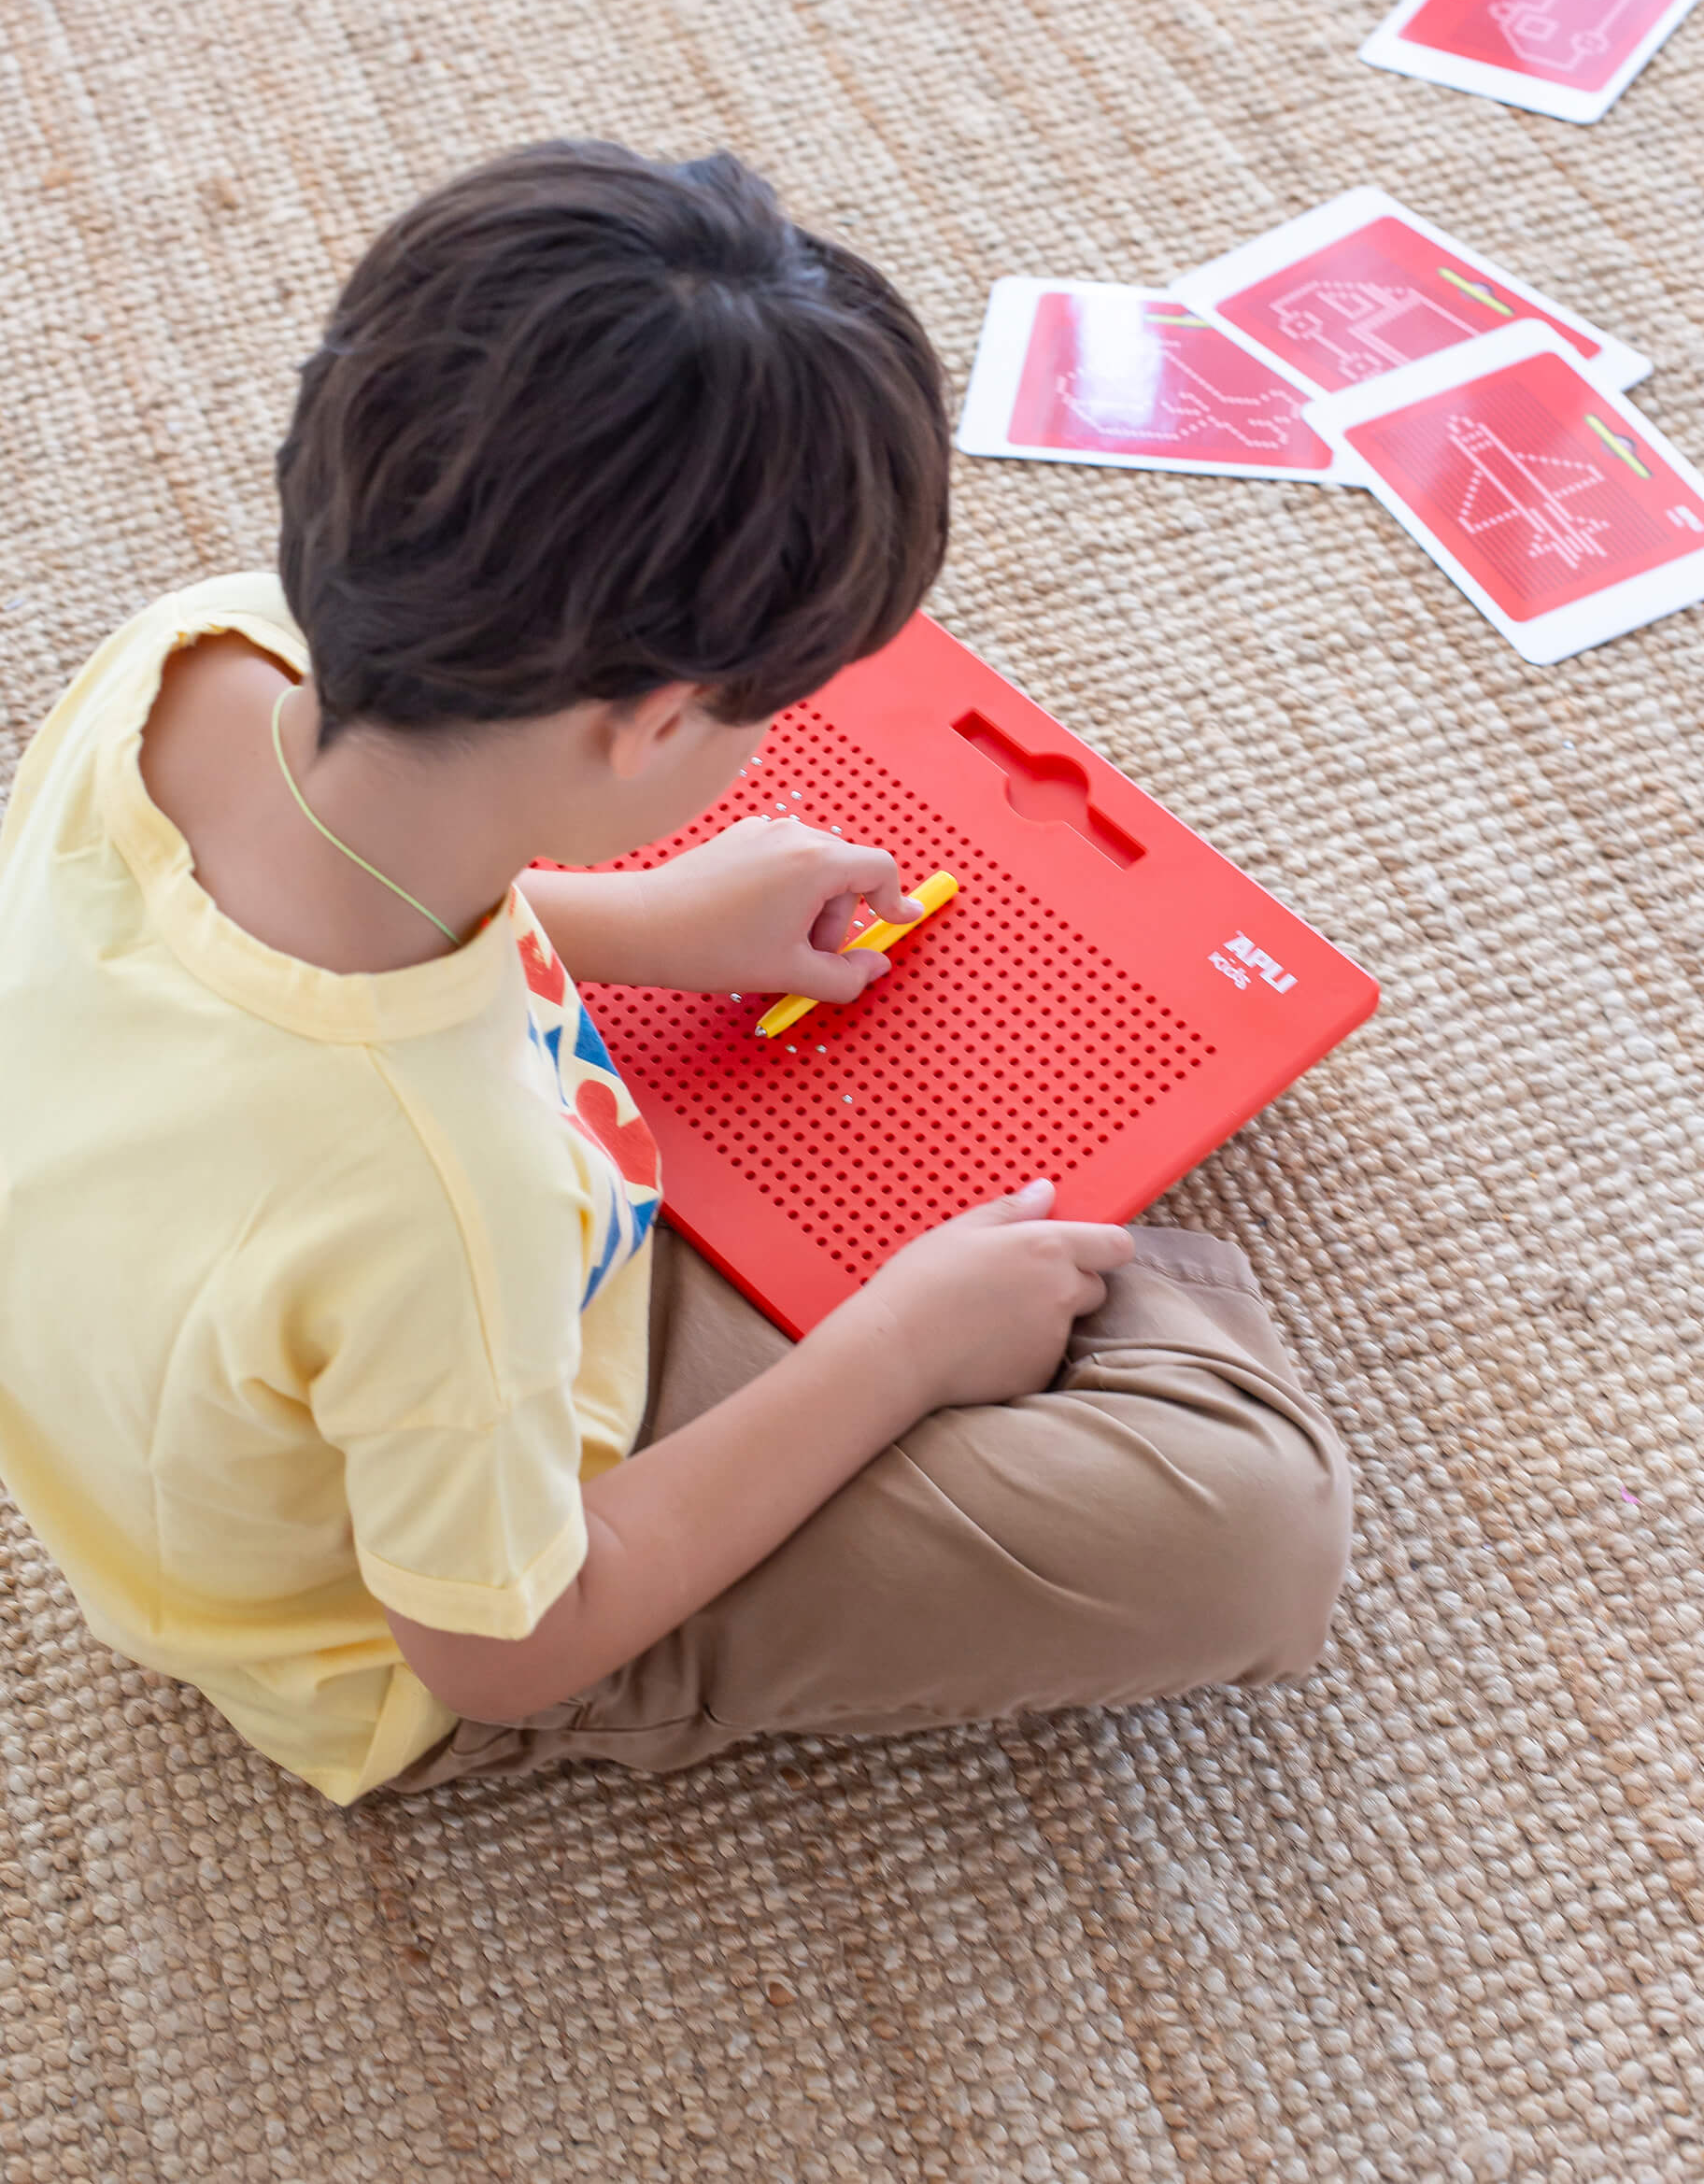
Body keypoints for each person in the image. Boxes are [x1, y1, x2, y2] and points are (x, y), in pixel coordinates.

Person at [0, 141, 1352, 1807]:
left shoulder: (195, 651)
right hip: (404, 1588)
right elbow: (507, 1646)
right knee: (1246, 1532)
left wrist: (646, 921)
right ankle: (1060, 1299)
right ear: (651, 724)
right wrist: (900, 1348)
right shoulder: (442, 1195)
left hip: (323, 1314)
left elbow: (282, 926)